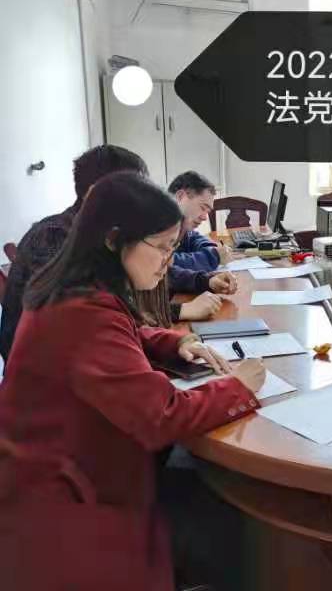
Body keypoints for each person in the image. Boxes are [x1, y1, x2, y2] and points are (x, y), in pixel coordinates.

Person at [0, 172, 266, 590]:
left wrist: (175, 342)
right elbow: (161, 416)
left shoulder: (77, 287)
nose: (168, 261)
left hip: (59, 469)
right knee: (232, 528)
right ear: (113, 239)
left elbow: (125, 332)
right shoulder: (82, 313)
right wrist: (240, 387)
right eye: (161, 247)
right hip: (64, 502)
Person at [0, 146, 236, 362]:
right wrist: (180, 310)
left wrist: (204, 280)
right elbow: (91, 321)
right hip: (53, 372)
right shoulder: (54, 238)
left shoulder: (105, 235)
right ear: (96, 193)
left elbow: (149, 271)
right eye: (136, 190)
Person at [167, 171, 233, 272]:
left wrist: (213, 249)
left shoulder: (181, 226)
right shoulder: (156, 224)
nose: (205, 217)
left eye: (207, 211)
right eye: (202, 208)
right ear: (180, 197)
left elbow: (193, 238)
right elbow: (167, 263)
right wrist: (213, 256)